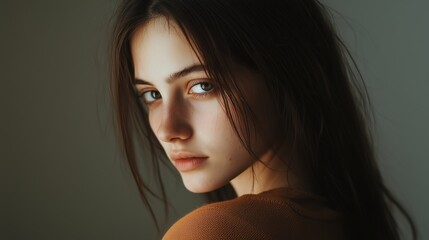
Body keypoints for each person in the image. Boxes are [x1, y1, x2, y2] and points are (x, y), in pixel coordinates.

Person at [109, 0, 417, 239]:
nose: (167, 129)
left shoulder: (217, 232)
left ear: (287, 74)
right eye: (152, 95)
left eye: (203, 86)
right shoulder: (340, 222)